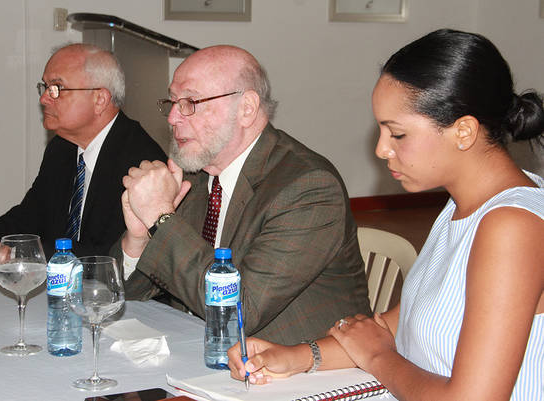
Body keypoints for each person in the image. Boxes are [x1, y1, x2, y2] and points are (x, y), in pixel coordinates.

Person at [228, 29, 544, 401]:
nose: (381, 149)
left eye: (397, 135)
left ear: (463, 131)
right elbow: (404, 321)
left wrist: (378, 357)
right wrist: (298, 357)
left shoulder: (513, 226)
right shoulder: (464, 205)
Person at [112, 45, 370, 345]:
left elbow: (238, 310)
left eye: (190, 102)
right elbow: (127, 296)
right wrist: (140, 237)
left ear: (246, 108)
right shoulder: (194, 174)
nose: (172, 117)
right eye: (172, 102)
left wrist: (161, 215)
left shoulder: (308, 187)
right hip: (202, 351)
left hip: (293, 369)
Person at [0, 43, 166, 272]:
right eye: (44, 86)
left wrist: (12, 256)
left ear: (100, 99)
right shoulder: (62, 147)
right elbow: (31, 213)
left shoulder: (141, 162)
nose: (44, 98)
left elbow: (109, 254)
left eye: (57, 88)